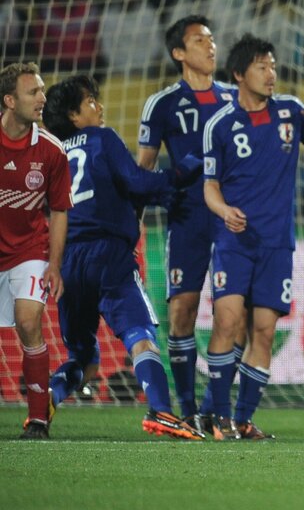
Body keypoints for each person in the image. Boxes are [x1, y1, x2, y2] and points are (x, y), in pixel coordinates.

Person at [43, 75, 201, 439]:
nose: (100, 107)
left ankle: (44, 405)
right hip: (109, 253)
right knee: (140, 334)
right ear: (73, 114)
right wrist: (185, 168)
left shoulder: (50, 153)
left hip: (66, 261)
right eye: (91, 102)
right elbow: (137, 182)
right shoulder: (102, 138)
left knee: (85, 359)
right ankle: (161, 411)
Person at [199, 35, 304, 439]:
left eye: (272, 66)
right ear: (239, 74)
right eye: (262, 67)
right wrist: (223, 211)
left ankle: (243, 419)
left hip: (277, 243)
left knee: (264, 331)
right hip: (235, 241)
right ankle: (216, 416)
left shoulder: (290, 111)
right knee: (227, 321)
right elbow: (210, 186)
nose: (271, 74)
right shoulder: (219, 125)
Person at [137, 14, 237, 431]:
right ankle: (188, 408)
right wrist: (132, 230)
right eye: (199, 40)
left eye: (212, 39)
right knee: (182, 309)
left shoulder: (235, 99)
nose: (210, 46)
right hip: (187, 218)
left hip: (232, 217)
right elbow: (141, 174)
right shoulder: (162, 104)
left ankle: (216, 407)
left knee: (234, 312)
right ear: (179, 53)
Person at [0, 62, 70, 439]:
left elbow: (58, 210)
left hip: (29, 250)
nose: (42, 98)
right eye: (33, 92)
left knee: (29, 322)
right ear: (10, 100)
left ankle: (39, 420)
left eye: (42, 90)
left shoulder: (51, 150)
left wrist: (54, 265)